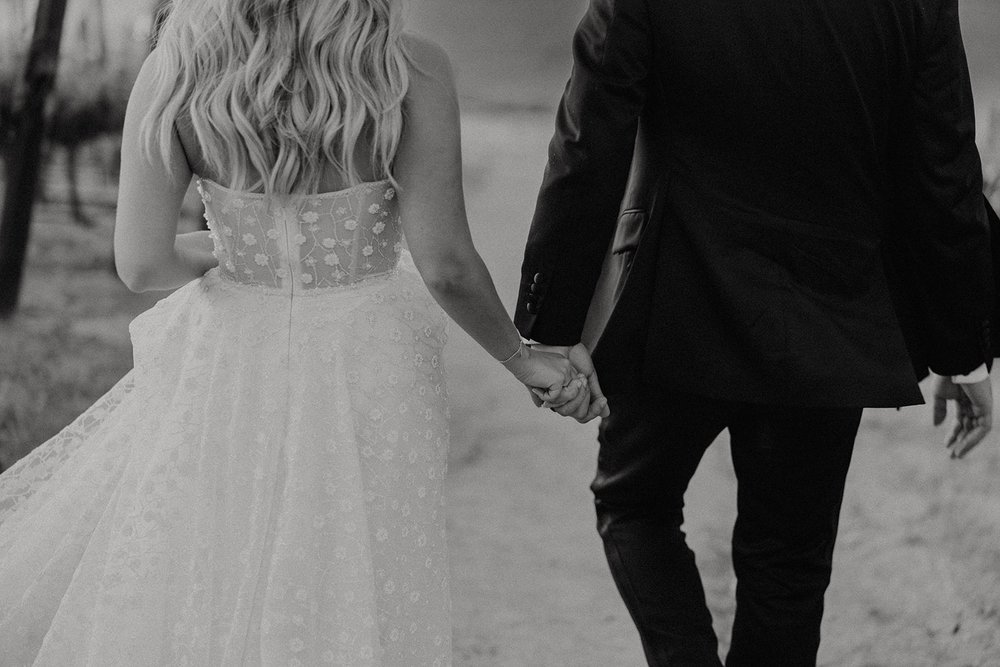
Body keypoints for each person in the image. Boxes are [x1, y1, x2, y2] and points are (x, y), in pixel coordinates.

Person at [0, 1, 600, 664]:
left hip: (226, 357)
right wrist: (524, 360)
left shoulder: (174, 67)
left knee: (218, 566)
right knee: (353, 568)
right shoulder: (410, 70)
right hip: (367, 362)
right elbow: (447, 264)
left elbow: (141, 262)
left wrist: (230, 246)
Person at [516, 0, 994, 664]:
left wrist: (554, 326)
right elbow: (944, 172)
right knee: (789, 566)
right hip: (830, 317)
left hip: (678, 306)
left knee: (634, 505)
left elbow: (589, 144)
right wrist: (962, 350)